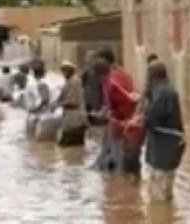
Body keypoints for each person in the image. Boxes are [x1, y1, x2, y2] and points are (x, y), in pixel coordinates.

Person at [142, 60, 186, 201]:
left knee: (158, 197)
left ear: (153, 76)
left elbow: (152, 119)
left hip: (163, 151)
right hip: (169, 148)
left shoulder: (163, 93)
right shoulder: (166, 90)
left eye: (148, 75)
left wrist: (139, 120)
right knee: (165, 191)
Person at [93, 49, 140, 177]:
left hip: (118, 125)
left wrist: (109, 113)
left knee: (117, 160)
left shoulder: (112, 80)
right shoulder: (123, 75)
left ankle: (119, 185)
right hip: (126, 125)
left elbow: (125, 99)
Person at [56, 60, 88, 148]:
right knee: (74, 146)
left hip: (75, 118)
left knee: (67, 145)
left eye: (65, 70)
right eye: (63, 70)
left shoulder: (74, 81)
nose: (64, 73)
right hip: (72, 118)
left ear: (70, 70)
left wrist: (58, 104)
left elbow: (72, 101)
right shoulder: (69, 81)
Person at [81, 51, 105, 127]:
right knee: (90, 115)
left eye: (91, 58)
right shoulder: (86, 71)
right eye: (89, 58)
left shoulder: (98, 70)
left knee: (95, 115)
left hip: (97, 96)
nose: (89, 60)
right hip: (89, 97)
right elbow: (82, 83)